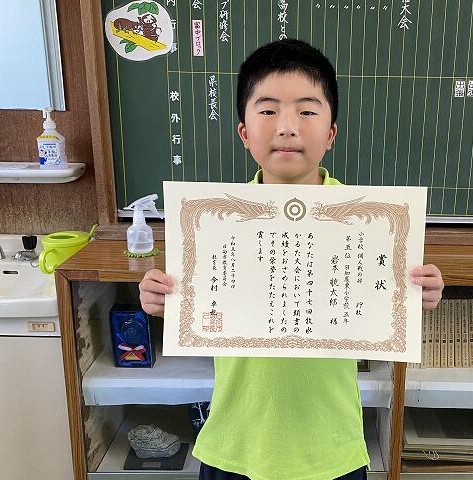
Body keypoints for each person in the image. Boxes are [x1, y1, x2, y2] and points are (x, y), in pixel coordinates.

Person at [139, 39, 444, 480]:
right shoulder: (213, 222)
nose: (286, 127)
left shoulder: (368, 223)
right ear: (244, 132)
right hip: (235, 445)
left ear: (331, 133)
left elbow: (388, 304)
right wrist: (164, 300)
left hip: (331, 450)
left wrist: (420, 293)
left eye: (306, 111)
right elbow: (198, 309)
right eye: (267, 110)